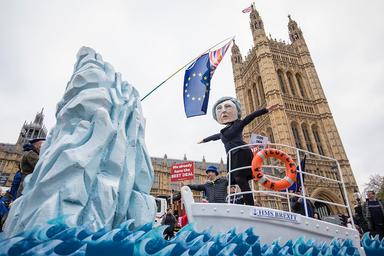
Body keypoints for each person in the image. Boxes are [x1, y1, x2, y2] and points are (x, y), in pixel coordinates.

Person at [198, 96, 278, 206]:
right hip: (232, 156)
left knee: (240, 179)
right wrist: (204, 140)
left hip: (241, 152)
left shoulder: (238, 124)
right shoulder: (222, 132)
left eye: (227, 107)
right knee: (236, 180)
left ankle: (250, 205)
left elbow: (250, 117)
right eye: (220, 109)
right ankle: (245, 203)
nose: (224, 111)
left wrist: (266, 109)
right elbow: (214, 137)